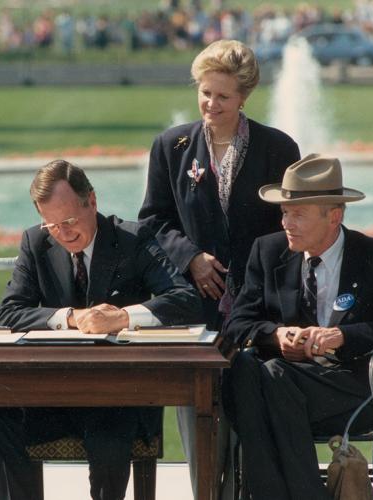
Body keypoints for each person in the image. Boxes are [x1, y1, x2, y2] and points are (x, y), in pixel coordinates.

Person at [0, 159, 202, 500]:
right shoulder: (35, 242)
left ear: (92, 202)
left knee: (110, 433)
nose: (62, 233)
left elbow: (184, 299)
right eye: (51, 224)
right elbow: (8, 312)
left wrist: (123, 318)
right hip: (54, 395)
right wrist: (69, 317)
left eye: (69, 221)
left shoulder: (132, 238)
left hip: (120, 397)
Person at [137, 38, 300, 495]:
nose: (211, 103)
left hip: (260, 309)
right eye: (204, 92)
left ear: (244, 97)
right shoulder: (172, 146)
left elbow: (291, 224)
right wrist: (190, 257)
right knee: (200, 423)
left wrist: (256, 276)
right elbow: (153, 219)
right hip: (196, 311)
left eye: (222, 96)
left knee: (255, 417)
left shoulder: (277, 147)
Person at [223, 154, 373, 500]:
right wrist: (277, 334)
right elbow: (237, 324)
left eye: (298, 213)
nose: (286, 222)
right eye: (285, 212)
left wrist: (343, 335)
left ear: (334, 215)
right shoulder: (267, 252)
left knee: (267, 376)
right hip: (282, 382)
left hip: (347, 387)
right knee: (248, 368)